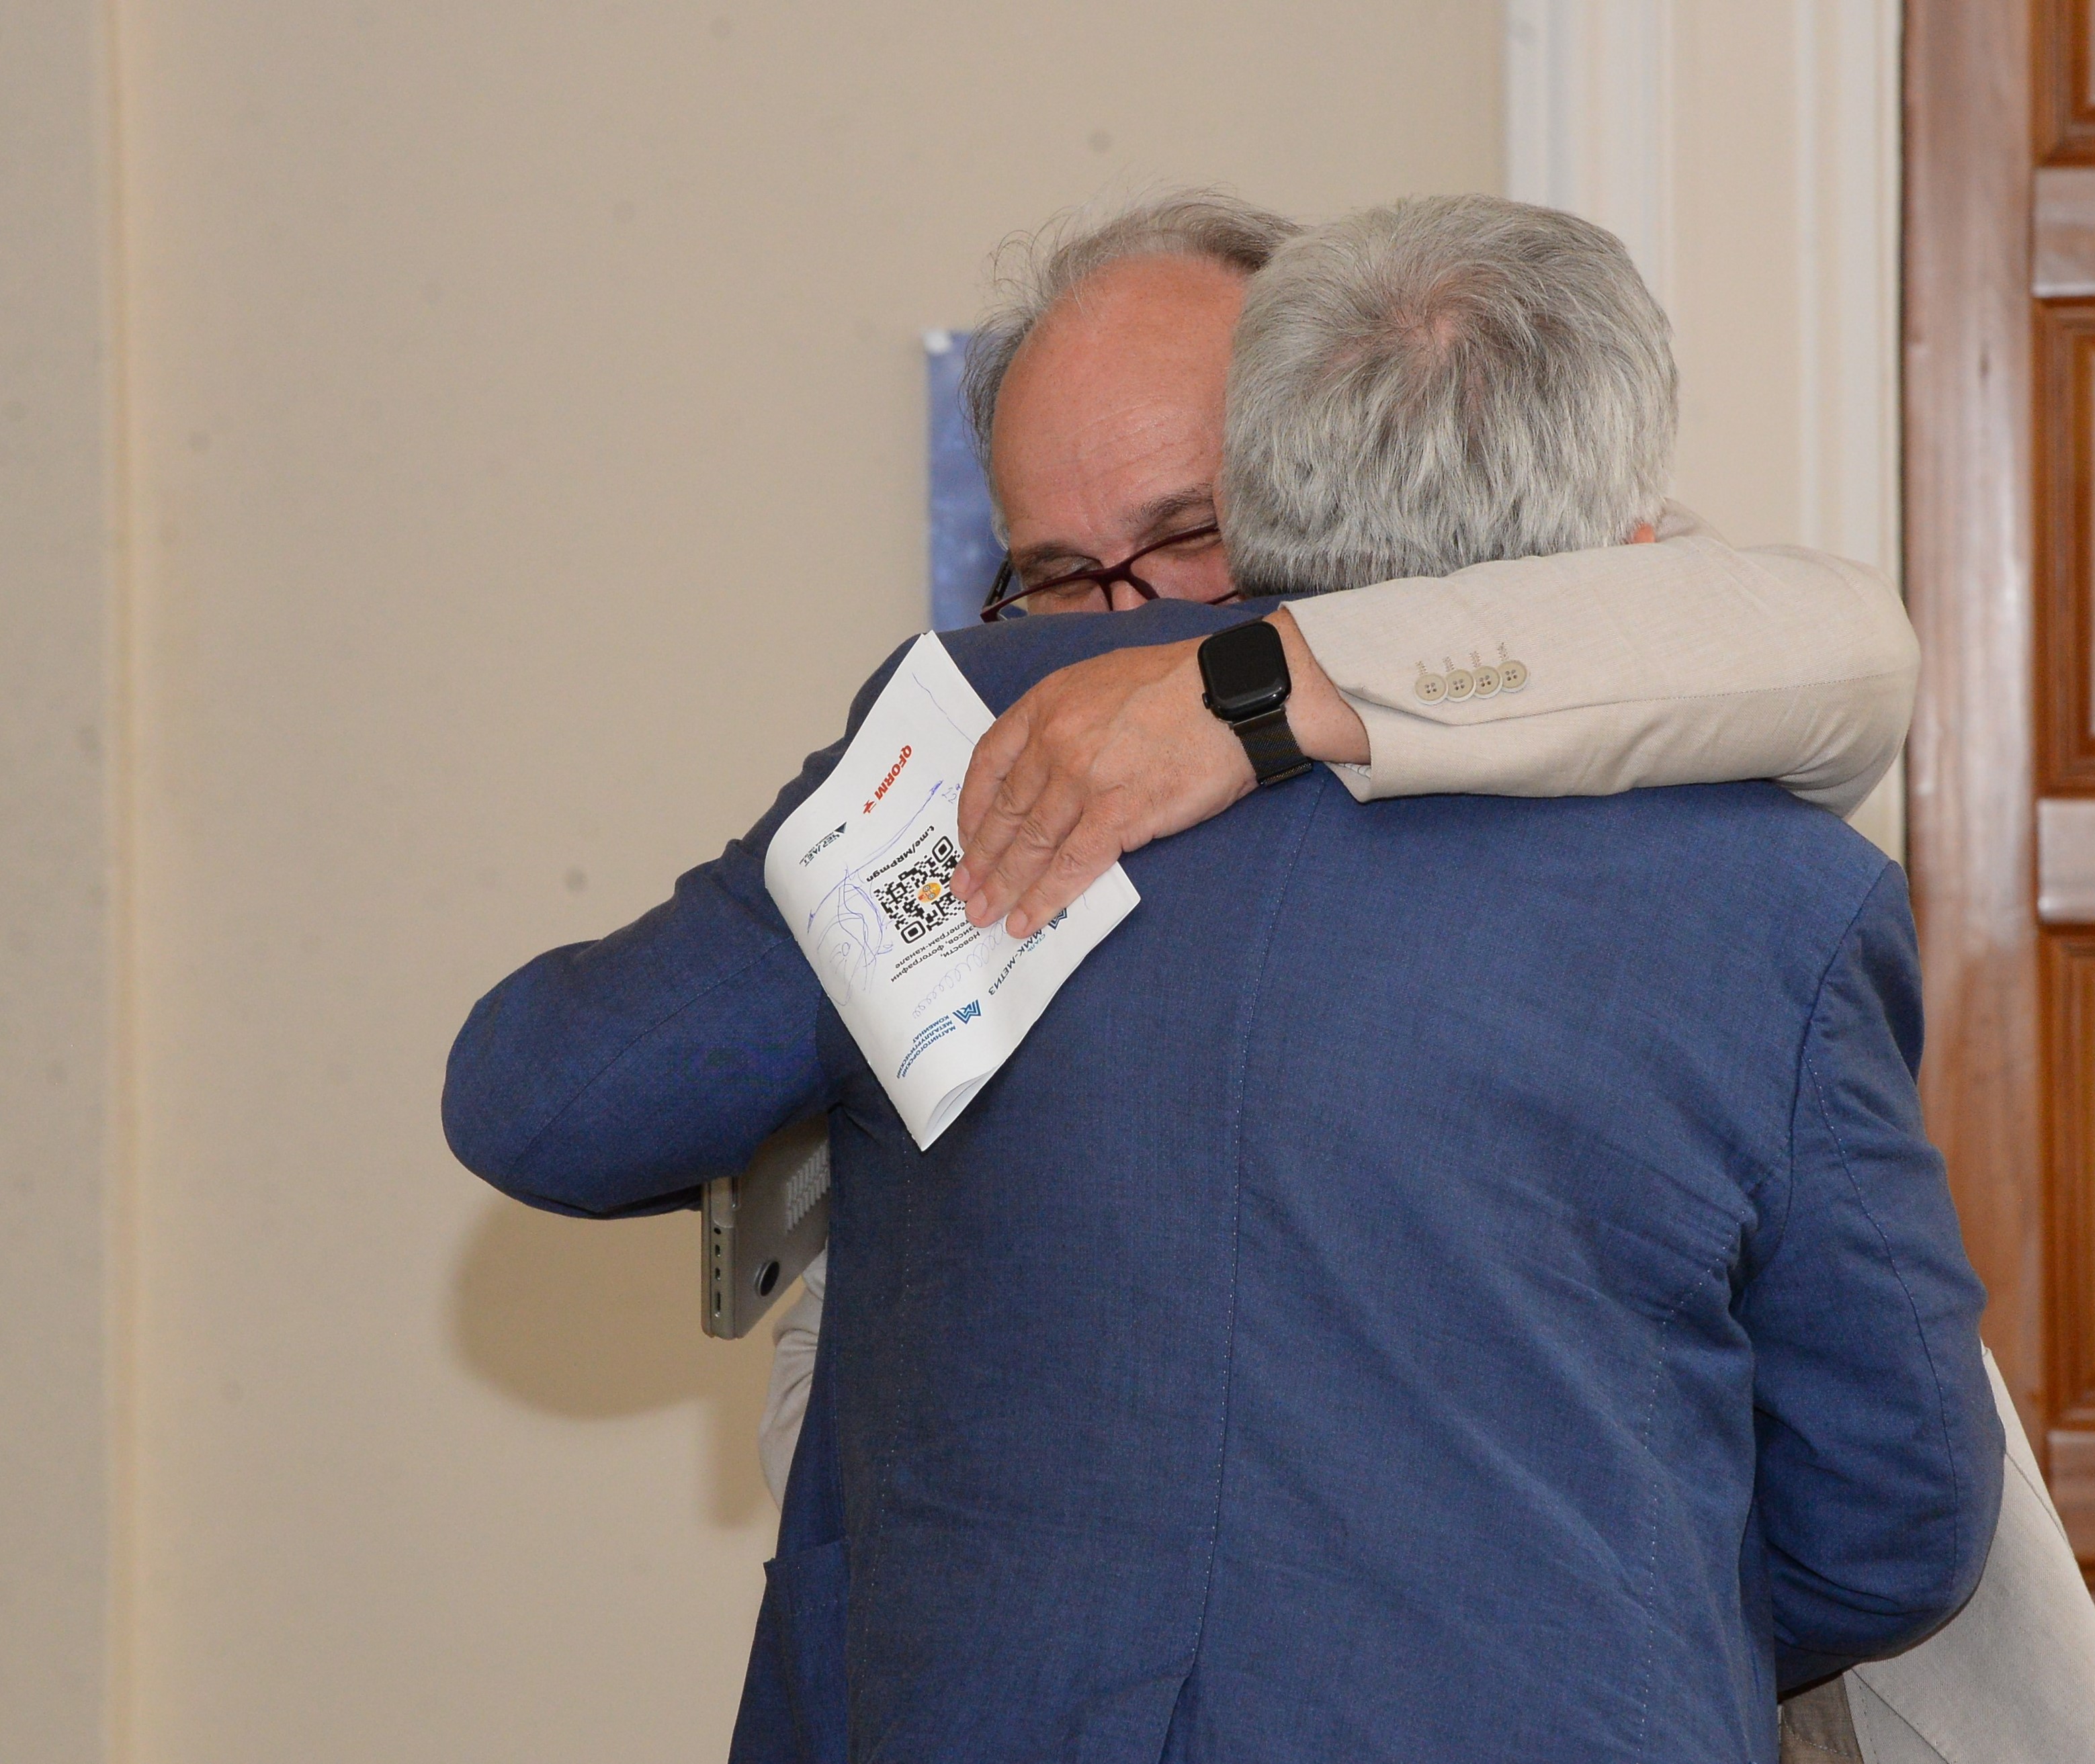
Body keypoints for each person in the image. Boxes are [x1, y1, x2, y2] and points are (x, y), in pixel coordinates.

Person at [451, 191, 2000, 1761]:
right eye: (1055, 579)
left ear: (1289, 447)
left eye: (1189, 536)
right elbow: (1895, 1511)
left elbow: (551, 1101)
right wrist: (1606, 1610)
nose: (1133, 630)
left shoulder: (974, 748)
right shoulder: (1773, 885)